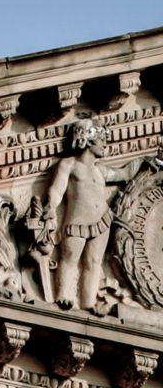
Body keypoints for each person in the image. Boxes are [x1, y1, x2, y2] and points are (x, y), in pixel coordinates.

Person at [45, 119, 143, 310]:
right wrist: (50, 206)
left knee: (94, 261)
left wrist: (146, 160)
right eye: (102, 139)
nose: (105, 144)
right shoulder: (69, 164)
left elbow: (124, 174)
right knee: (70, 256)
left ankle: (88, 302)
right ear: (88, 139)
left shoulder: (101, 170)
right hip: (77, 220)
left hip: (102, 221)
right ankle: (64, 295)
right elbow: (57, 190)